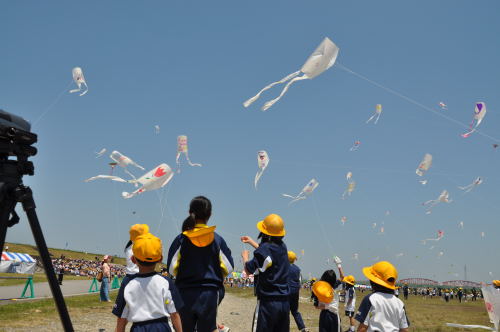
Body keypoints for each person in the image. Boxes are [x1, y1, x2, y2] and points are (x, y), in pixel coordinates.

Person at [166, 196, 234, 332]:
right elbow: (228, 267)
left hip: (184, 293)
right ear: (210, 214)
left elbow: (172, 269)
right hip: (209, 294)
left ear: (190, 212)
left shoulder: (181, 239)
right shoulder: (217, 240)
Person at [112, 232, 182, 332]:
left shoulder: (128, 283)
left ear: (133, 259)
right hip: (161, 327)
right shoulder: (166, 282)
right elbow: (174, 313)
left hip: (138, 328)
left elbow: (121, 319)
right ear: (160, 259)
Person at [241, 213, 290, 332]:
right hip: (284, 303)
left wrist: (245, 258)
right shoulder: (282, 247)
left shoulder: (264, 249)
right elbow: (268, 256)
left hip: (268, 303)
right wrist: (252, 242)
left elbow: (248, 270)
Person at [355, 261, 410, 332]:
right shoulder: (399, 303)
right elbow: (404, 329)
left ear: (373, 282)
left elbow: (362, 328)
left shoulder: (370, 299)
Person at [287, 251, 308, 332]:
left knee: (286, 312)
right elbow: (299, 281)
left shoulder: (284, 267)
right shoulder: (298, 269)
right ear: (294, 259)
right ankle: (302, 327)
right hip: (295, 292)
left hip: (287, 291)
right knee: (295, 311)